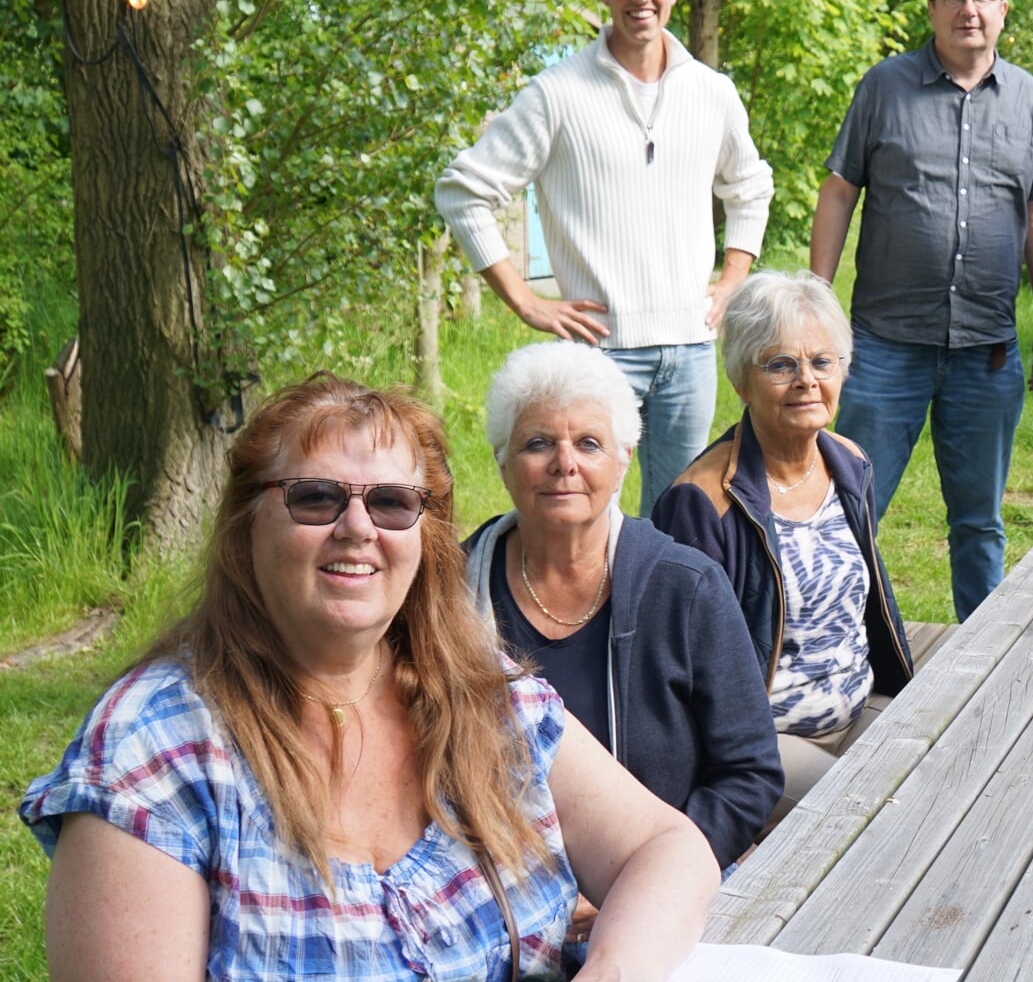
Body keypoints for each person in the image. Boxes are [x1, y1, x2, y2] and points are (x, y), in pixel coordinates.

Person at [19, 376, 716, 981]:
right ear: (246, 524)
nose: (357, 526)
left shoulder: (477, 691)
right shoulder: (154, 747)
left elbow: (667, 847)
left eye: (391, 502)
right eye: (316, 497)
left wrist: (614, 966)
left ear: (425, 532)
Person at [437, 0, 775, 516]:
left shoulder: (711, 92)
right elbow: (464, 191)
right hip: (600, 349)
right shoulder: (557, 94)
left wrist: (733, 278)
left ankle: (663, 613)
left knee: (684, 516)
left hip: (691, 347)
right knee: (589, 515)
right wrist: (524, 300)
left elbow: (749, 186)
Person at [809, 0, 1033, 621]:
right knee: (850, 511)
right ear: (931, 7)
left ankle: (980, 661)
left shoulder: (1029, 100)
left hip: (986, 352)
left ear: (1003, 10)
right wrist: (815, 299)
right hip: (884, 348)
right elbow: (839, 192)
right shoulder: (885, 87)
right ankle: (838, 648)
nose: (968, 10)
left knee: (979, 524)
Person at [465, 341, 781, 885]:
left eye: (588, 443)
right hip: (497, 889)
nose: (564, 463)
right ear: (501, 460)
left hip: (663, 879)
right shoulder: (453, 592)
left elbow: (748, 773)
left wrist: (648, 879)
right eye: (538, 443)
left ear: (623, 461)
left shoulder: (687, 585)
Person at [653, 271, 915, 822]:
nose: (806, 380)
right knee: (872, 811)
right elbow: (686, 668)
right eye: (780, 364)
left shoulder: (848, 462)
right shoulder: (702, 503)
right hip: (763, 744)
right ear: (742, 381)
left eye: (823, 361)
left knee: (961, 763)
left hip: (862, 705)